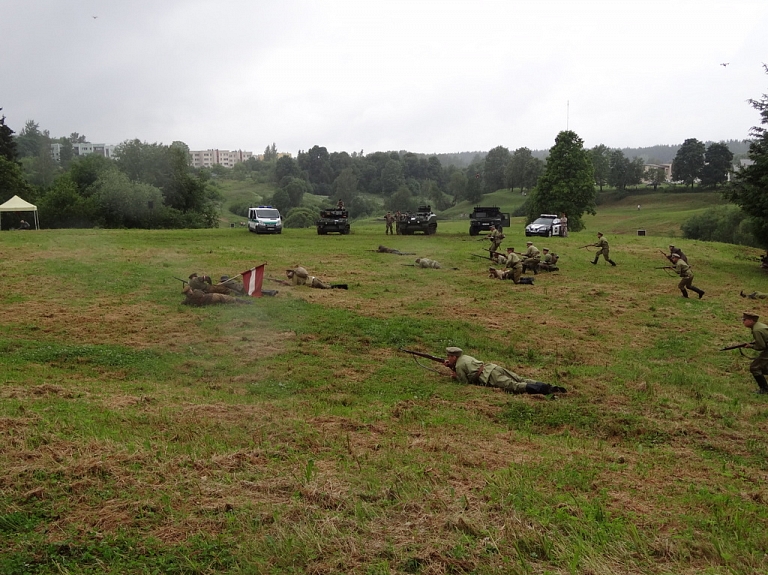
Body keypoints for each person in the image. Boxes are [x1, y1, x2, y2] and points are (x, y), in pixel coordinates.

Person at [443, 347, 566, 395]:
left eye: (449, 356)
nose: (448, 358)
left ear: (454, 357)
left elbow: (465, 383)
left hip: (489, 376)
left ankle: (544, 390)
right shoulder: (464, 358)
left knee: (514, 386)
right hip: (493, 367)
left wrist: (455, 376)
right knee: (520, 378)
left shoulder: (459, 366)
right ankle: (549, 386)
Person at [741, 312, 768, 394]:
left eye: (744, 320)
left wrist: (751, 346)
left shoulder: (756, 330)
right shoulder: (759, 325)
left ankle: (764, 389)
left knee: (755, 367)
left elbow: (761, 346)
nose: (743, 322)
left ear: (751, 321)